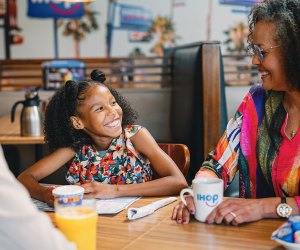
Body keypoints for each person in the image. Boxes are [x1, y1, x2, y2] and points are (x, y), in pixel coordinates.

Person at [172, 0, 300, 226]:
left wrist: (263, 207)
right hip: (252, 239)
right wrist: (198, 192)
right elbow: (218, 164)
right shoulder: (256, 102)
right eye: (254, 50)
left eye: (262, 51)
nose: (254, 60)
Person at [18, 69, 187, 206]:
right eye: (99, 109)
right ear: (77, 122)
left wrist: (113, 190)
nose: (113, 111)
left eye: (113, 103)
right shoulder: (75, 148)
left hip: (138, 221)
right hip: (96, 223)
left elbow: (178, 182)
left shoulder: (135, 136)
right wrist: (45, 194)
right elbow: (25, 178)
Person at [0, 145, 75, 250]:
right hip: (72, 219)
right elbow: (24, 177)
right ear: (78, 126)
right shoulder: (73, 149)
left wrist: (107, 190)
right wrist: (44, 193)